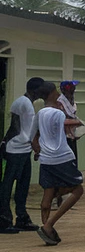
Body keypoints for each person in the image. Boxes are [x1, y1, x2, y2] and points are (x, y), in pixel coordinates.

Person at [31, 81, 83, 245]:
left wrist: (38, 151)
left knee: (47, 196)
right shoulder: (59, 113)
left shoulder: (39, 114)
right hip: (62, 156)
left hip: (46, 159)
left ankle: (48, 233)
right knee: (78, 189)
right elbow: (68, 125)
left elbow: (33, 137)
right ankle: (49, 224)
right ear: (53, 94)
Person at [1, 77, 44, 234]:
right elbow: (15, 127)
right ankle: (4, 219)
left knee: (23, 185)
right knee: (7, 185)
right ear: (34, 90)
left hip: (24, 149)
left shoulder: (27, 103)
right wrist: (5, 143)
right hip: (16, 149)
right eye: (41, 89)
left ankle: (21, 217)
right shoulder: (24, 103)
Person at [57, 80, 83, 166]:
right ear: (64, 90)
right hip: (64, 137)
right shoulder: (59, 103)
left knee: (74, 161)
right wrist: (76, 122)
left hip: (72, 136)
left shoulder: (72, 101)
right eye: (70, 88)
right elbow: (62, 121)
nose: (73, 90)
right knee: (67, 162)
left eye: (73, 88)